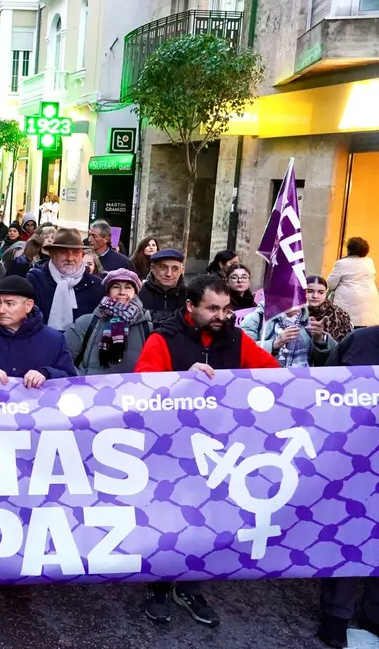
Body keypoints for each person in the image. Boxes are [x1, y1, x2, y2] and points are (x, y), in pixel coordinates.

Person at [135, 274, 279, 627]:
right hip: (169, 447)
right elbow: (140, 386)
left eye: (227, 308)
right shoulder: (162, 339)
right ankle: (159, 584)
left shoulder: (236, 337)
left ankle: (191, 584)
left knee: (206, 517)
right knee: (168, 518)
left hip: (218, 447)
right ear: (190, 307)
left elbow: (274, 375)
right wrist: (183, 378)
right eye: (212, 308)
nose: (222, 315)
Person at [317, 326, 379, 648]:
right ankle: (336, 616)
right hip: (354, 460)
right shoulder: (361, 340)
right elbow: (324, 388)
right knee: (351, 533)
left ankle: (374, 615)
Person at [0, 275, 77, 384]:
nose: (1, 310)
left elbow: (71, 378)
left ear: (28, 306)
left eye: (9, 304)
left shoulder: (53, 340)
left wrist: (46, 374)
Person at [64, 269, 152, 375]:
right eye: (116, 287)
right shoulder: (86, 323)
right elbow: (63, 358)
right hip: (90, 388)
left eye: (128, 287)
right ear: (108, 291)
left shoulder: (147, 327)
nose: (122, 292)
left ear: (135, 293)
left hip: (132, 389)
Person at [26, 227, 103, 330]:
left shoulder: (96, 286)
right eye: (63, 252)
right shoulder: (35, 281)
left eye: (76, 252)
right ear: (52, 254)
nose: (70, 258)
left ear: (82, 255)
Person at [239, 299, 337, 368]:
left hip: (304, 382)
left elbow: (331, 360)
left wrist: (320, 340)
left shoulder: (308, 321)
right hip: (267, 382)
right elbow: (241, 352)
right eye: (289, 296)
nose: (295, 301)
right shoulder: (256, 319)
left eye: (299, 296)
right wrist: (275, 344)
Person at [327, 236, 379, 327]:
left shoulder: (342, 263)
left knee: (348, 330)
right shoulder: (369, 262)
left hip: (349, 301)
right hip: (369, 299)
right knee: (365, 329)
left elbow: (330, 284)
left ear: (349, 249)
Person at [140, 248, 187, 319]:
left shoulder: (189, 297)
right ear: (153, 268)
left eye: (175, 268)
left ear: (181, 271)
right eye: (163, 267)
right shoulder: (139, 295)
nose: (168, 274)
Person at [306, 275, 354, 343]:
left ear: (326, 293)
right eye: (310, 291)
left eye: (321, 292)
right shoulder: (293, 312)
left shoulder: (339, 315)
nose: (315, 296)